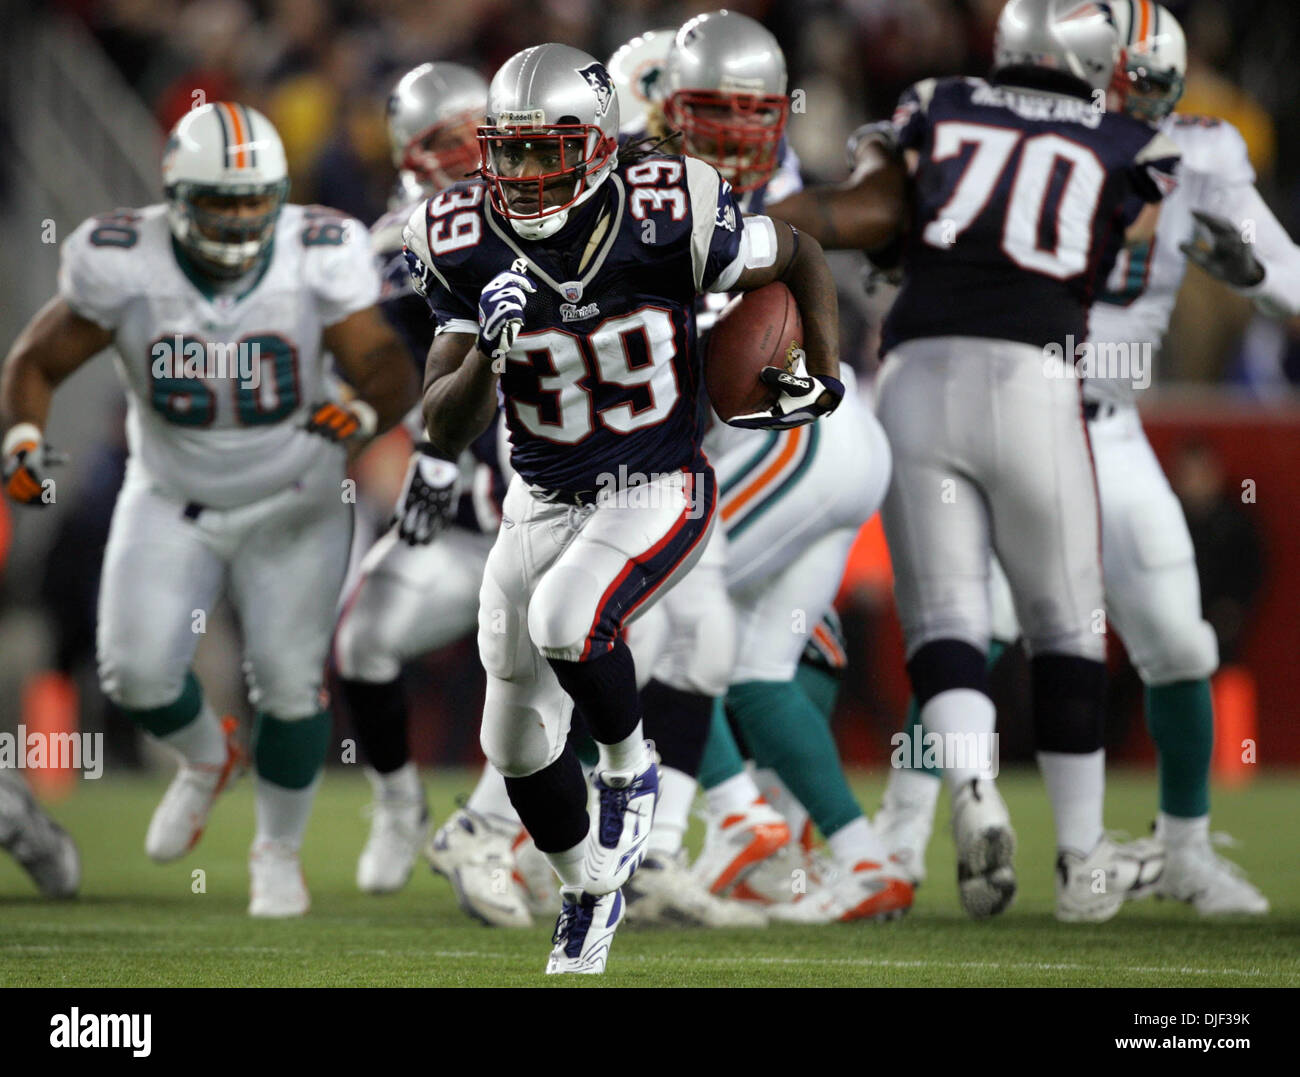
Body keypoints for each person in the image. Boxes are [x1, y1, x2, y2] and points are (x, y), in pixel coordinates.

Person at [406, 42, 844, 972]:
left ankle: (630, 768)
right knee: (515, 740)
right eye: (508, 150)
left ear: (599, 146)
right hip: (542, 491)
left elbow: (801, 254)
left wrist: (825, 376)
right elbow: (440, 428)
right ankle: (588, 889)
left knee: (569, 619)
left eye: (546, 150)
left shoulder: (670, 211)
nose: (522, 173)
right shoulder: (455, 234)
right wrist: (490, 344)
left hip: (656, 478)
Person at [768, 0, 1181, 922]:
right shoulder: (1129, 139)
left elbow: (883, 199)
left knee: (947, 621)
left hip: (913, 371)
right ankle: (1081, 863)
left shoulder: (936, 98)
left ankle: (974, 798)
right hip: (1033, 372)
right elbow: (1126, 246)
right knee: (1065, 623)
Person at [871, 2, 1287, 917]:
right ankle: (898, 846)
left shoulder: (1195, 154)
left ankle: (1179, 850)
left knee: (1179, 639)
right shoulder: (1004, 128)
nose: (1148, 109)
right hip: (1021, 399)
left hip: (1105, 422)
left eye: (1159, 91)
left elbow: (1284, 273)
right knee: (966, 625)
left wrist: (1254, 272)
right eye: (1130, 87)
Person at [1, 103, 417, 917]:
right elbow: (37, 359)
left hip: (294, 491)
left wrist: (362, 416)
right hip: (168, 493)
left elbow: (385, 366)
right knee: (135, 672)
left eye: (253, 199)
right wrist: (22, 436)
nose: (239, 217)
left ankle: (276, 853)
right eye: (219, 201)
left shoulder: (319, 249)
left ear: (280, 194)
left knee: (291, 681)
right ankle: (204, 757)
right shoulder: (122, 258)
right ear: (175, 197)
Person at [330, 61, 500, 899]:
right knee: (361, 642)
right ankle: (399, 803)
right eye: (450, 139)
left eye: (482, 129)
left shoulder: (560, 214)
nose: (472, 151)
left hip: (558, 508)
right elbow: (396, 371)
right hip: (461, 519)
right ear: (411, 154)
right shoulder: (400, 240)